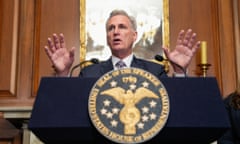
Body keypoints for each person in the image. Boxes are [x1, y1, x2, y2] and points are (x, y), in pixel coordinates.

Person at [44, 9, 201, 78]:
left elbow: (174, 105)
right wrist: (62, 75)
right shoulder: (88, 73)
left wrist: (180, 72)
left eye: (122, 27)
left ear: (134, 36)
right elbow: (71, 108)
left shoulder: (155, 71)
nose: (116, 32)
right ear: (107, 38)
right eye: (111, 28)